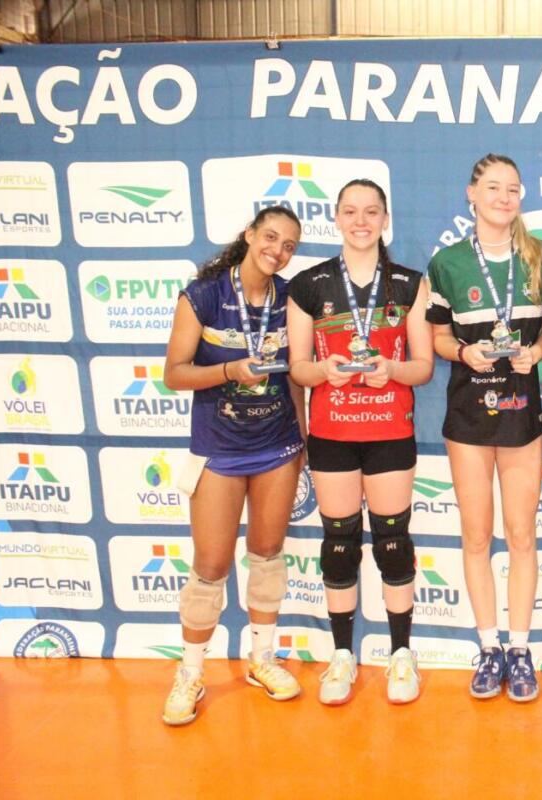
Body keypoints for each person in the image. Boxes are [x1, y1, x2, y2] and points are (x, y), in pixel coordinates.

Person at [287, 179, 433, 705]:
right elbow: (298, 367)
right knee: (340, 544)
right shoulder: (308, 284)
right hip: (333, 435)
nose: (361, 221)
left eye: (371, 212)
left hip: (390, 431)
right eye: (350, 212)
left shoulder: (410, 283)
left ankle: (401, 654)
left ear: (385, 219)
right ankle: (342, 656)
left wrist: (391, 369)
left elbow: (422, 366)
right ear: (336, 219)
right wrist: (323, 371)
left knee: (393, 542)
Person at [161, 207, 306, 726]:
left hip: (277, 445)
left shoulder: (290, 298)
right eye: (270, 237)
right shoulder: (202, 295)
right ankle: (190, 672)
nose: (277, 250)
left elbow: (295, 376)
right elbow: (174, 374)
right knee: (210, 566)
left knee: (267, 555)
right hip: (218, 450)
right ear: (249, 235)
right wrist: (228, 370)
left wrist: (303, 440)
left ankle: (261, 658)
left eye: (288, 245)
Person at [426, 154, 542, 702]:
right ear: (472, 194)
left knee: (522, 535)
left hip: (521, 412)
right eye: (493, 188)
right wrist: (463, 351)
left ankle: (520, 649)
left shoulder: (541, 256)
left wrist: (537, 353)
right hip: (468, 414)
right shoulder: (448, 262)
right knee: (477, 535)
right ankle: (488, 647)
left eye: (513, 189)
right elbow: (436, 338)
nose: (504, 198)